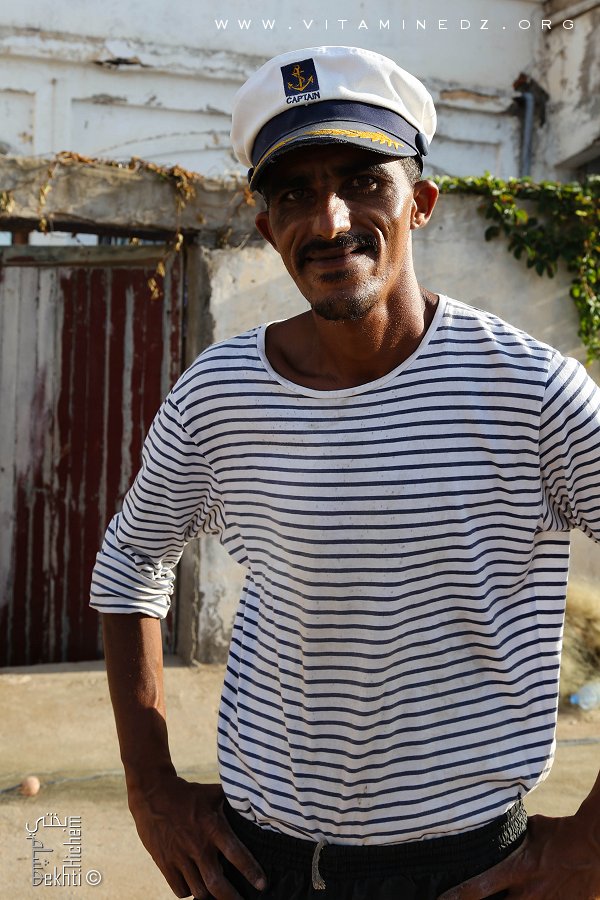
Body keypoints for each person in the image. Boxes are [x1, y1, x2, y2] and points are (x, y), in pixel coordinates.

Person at [91, 46, 600, 900]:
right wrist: (150, 790)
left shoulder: (530, 391)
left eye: (364, 181)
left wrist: (589, 844)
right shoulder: (218, 395)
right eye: (293, 193)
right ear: (266, 229)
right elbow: (130, 565)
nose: (328, 221)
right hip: (256, 866)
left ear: (421, 203)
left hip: (467, 872)